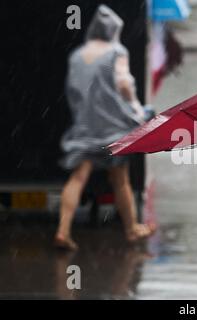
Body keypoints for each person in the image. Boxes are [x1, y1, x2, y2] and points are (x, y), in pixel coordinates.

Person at [54, 5, 155, 250]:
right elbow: (124, 83)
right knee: (120, 179)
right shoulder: (115, 51)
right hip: (113, 126)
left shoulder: (77, 55)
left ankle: (63, 231)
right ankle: (131, 229)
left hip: (86, 126)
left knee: (78, 178)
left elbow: (73, 90)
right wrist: (136, 108)